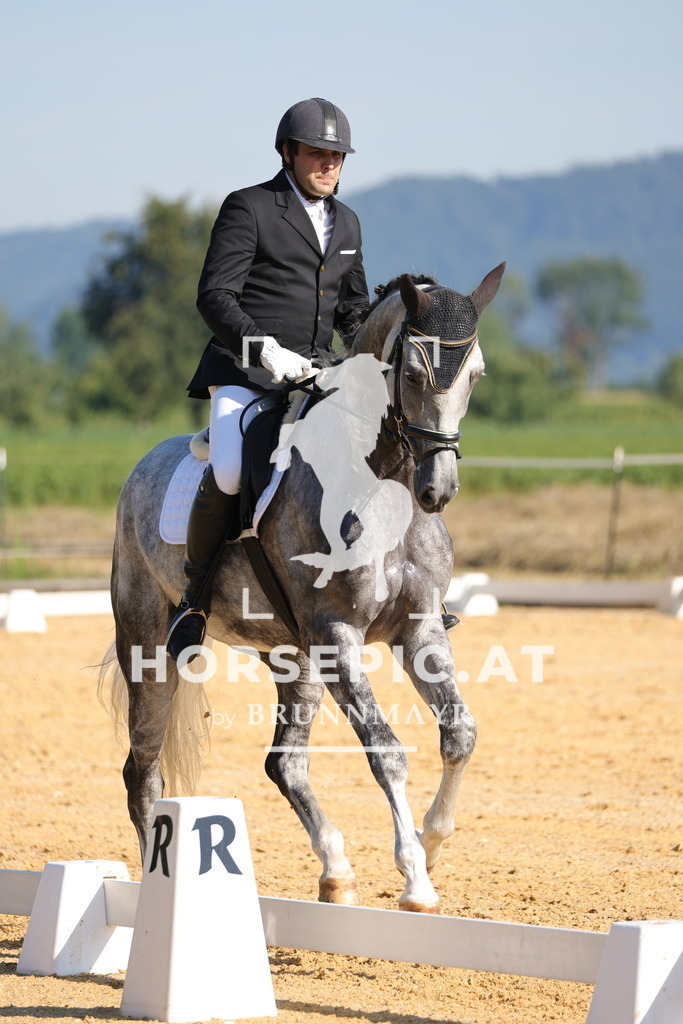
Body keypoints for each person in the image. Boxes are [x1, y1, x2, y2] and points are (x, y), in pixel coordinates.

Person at [166, 97, 370, 660]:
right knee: (231, 468)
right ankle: (193, 599)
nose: (328, 164)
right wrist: (263, 348)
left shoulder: (348, 222)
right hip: (248, 371)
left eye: (337, 156)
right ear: (287, 152)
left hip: (317, 373)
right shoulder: (249, 207)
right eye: (316, 153)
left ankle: (407, 587)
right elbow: (215, 295)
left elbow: (353, 312)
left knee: (384, 450)